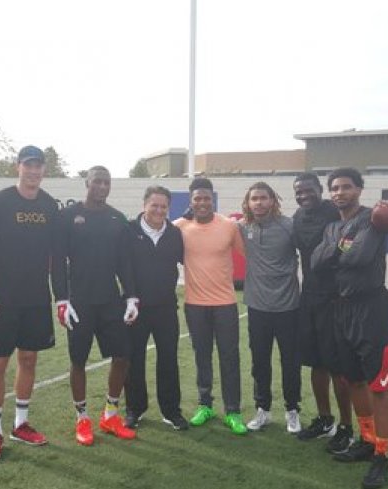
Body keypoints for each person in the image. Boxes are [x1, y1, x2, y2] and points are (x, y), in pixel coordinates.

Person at [312, 168, 388, 489]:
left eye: (346, 187)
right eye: (335, 188)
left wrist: (335, 252)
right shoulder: (332, 226)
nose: (340, 192)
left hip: (371, 308)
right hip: (341, 308)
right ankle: (366, 440)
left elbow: (361, 257)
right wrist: (339, 248)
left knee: (379, 384)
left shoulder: (373, 219)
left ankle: (381, 454)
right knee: (350, 378)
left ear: (360, 189)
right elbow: (316, 262)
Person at [0, 145, 58, 461]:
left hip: (36, 298)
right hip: (2, 299)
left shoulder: (50, 206)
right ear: (18, 167)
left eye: (38, 166)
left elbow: (55, 253)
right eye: (28, 165)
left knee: (30, 359)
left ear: (44, 170)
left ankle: (20, 425)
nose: (33, 171)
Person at [51, 166, 140, 446]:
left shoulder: (117, 219)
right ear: (87, 183)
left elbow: (125, 262)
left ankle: (110, 414)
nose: (102, 186)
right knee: (79, 360)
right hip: (79, 302)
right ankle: (82, 418)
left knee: (123, 356)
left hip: (110, 301)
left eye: (107, 182)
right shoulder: (67, 217)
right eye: (97, 182)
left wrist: (131, 296)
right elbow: (56, 260)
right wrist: (62, 299)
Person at [174, 177, 247, 435]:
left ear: (212, 199)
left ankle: (233, 411)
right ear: (190, 201)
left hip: (225, 305)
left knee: (229, 358)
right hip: (194, 306)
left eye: (206, 198)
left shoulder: (228, 226)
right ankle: (205, 405)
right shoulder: (179, 227)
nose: (202, 203)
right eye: (197, 199)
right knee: (201, 357)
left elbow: (250, 253)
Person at [291, 172, 355, 453]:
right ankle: (325, 419)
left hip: (335, 299)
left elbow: (352, 242)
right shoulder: (297, 217)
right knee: (316, 363)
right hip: (310, 298)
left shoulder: (335, 213)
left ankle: (346, 426)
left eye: (309, 190)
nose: (304, 195)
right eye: (299, 191)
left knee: (338, 366)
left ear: (320, 190)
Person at [237, 182, 303, 434]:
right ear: (248, 202)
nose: (259, 203)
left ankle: (292, 410)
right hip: (257, 308)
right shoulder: (243, 227)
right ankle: (262, 409)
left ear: (273, 200)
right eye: (254, 198)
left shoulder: (289, 226)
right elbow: (210, 223)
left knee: (290, 362)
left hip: (288, 307)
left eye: (264, 198)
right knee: (260, 362)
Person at [122, 185, 188, 431]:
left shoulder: (175, 233)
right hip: (135, 307)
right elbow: (122, 266)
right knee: (134, 360)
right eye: (154, 205)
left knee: (169, 359)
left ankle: (171, 411)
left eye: (163, 206)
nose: (159, 210)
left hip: (166, 308)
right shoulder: (128, 231)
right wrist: (129, 297)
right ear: (144, 205)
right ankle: (134, 410)